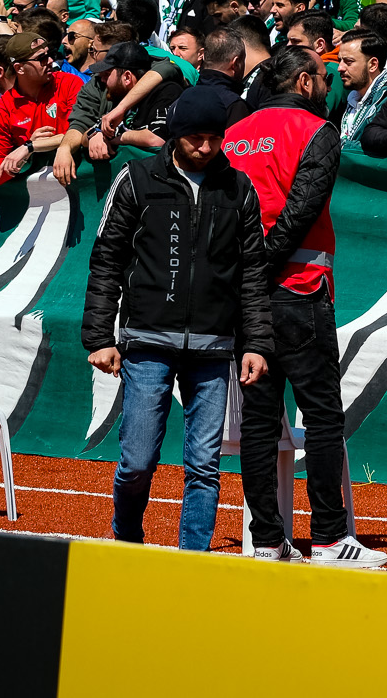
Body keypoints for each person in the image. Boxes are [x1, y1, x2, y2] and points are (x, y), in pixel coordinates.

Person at [82, 86, 273, 552]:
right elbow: (106, 260)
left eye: (215, 138)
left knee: (204, 467)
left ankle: (194, 565)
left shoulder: (239, 187)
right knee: (137, 462)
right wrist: (99, 337)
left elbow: (253, 272)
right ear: (176, 135)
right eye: (196, 139)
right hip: (146, 342)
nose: (206, 148)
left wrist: (256, 343)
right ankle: (127, 541)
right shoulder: (135, 179)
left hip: (214, 347)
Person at [226, 46, 385, 566]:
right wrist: (264, 267)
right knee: (321, 416)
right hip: (300, 289)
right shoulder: (317, 130)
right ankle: (330, 538)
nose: (329, 82)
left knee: (258, 421)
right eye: (323, 76)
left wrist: (246, 276)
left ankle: (267, 540)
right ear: (303, 81)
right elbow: (300, 212)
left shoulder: (235, 134)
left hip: (244, 296)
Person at [0, 30, 82, 184]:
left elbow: (80, 132)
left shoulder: (69, 83)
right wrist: (25, 155)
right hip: (37, 195)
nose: (50, 61)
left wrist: (31, 146)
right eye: (41, 58)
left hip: (79, 184)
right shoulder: (1, 109)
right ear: (19, 68)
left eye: (49, 54)